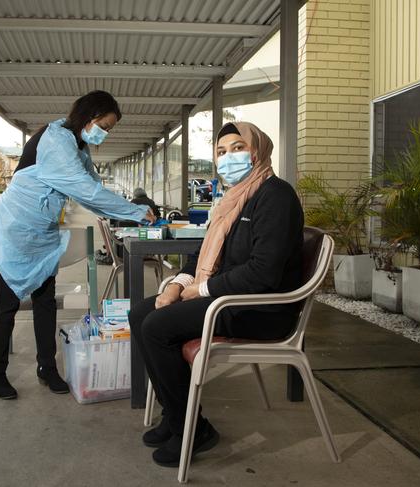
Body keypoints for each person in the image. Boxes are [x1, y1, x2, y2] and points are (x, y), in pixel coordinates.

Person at [128, 122, 304, 468]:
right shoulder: (233, 199)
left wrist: (202, 289)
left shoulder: (276, 196)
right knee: (140, 314)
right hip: (228, 297)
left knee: (157, 328)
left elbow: (263, 272)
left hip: (261, 309)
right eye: (221, 152)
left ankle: (191, 429)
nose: (228, 158)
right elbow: (203, 254)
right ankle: (176, 415)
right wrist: (179, 284)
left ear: (258, 151)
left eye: (238, 148)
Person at [0, 90, 156, 400]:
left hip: (43, 232)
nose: (105, 133)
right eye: (104, 125)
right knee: (7, 306)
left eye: (109, 128)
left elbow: (91, 190)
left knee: (45, 302)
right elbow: (84, 190)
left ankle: (46, 368)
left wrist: (130, 216)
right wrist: (133, 211)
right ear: (88, 116)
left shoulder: (78, 147)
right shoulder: (56, 140)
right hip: (15, 231)